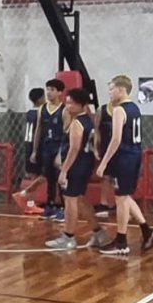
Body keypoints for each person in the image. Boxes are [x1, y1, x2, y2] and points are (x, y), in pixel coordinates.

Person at [95, 75, 153, 255]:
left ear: (121, 89)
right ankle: (147, 231)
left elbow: (116, 139)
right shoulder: (135, 108)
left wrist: (103, 163)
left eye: (111, 88)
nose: (109, 92)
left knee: (121, 199)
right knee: (125, 197)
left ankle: (121, 241)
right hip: (133, 154)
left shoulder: (119, 110)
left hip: (124, 156)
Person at [45, 88, 110, 249]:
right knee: (80, 199)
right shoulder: (89, 121)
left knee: (70, 200)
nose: (68, 106)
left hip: (76, 165)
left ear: (81, 105)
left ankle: (68, 236)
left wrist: (64, 170)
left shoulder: (77, 123)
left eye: (71, 103)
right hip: (85, 164)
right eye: (67, 103)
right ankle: (98, 232)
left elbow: (74, 148)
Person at [30, 79, 66, 222]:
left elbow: (66, 133)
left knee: (60, 179)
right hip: (46, 147)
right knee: (49, 178)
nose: (49, 92)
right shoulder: (42, 109)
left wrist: (60, 154)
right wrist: (34, 150)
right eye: (48, 89)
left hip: (59, 148)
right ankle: (50, 206)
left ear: (59, 92)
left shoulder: (65, 110)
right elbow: (38, 129)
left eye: (52, 89)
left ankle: (64, 208)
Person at [12, 87, 47, 215]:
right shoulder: (41, 113)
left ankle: (30, 204)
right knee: (43, 176)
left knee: (35, 177)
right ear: (41, 98)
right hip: (35, 148)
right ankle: (26, 198)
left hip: (28, 146)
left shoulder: (29, 113)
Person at [93, 102, 116, 218]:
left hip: (120, 149)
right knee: (106, 176)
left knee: (117, 177)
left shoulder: (124, 109)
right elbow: (96, 130)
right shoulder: (102, 110)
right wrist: (96, 148)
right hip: (105, 147)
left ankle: (118, 204)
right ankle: (104, 203)